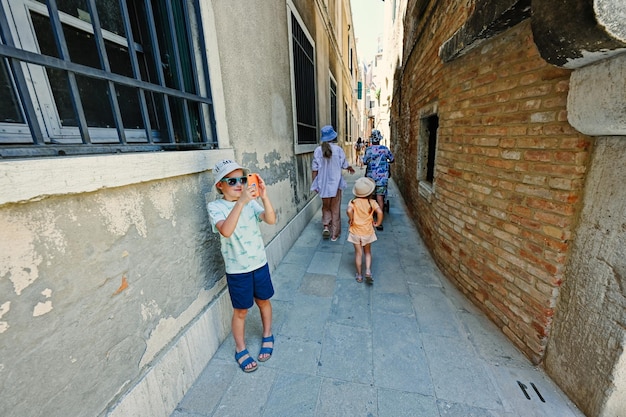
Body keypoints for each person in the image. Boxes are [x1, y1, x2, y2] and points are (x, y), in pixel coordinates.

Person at [207, 159, 276, 373]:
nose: (240, 184)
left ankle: (267, 335)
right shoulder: (215, 207)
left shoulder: (251, 202)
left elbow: (271, 220)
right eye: (233, 181)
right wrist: (240, 203)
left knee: (264, 301)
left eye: (243, 179)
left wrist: (264, 197)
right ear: (220, 185)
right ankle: (240, 348)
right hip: (238, 271)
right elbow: (226, 231)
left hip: (259, 264)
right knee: (241, 311)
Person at [311, 125, 355, 241]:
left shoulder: (317, 151)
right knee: (335, 208)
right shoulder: (338, 150)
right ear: (333, 137)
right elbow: (344, 164)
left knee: (326, 207)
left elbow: (315, 170)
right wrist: (350, 168)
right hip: (336, 185)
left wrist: (314, 183)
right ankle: (334, 235)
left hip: (323, 185)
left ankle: (326, 226)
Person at [347, 177, 383, 285]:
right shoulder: (372, 202)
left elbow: (349, 210)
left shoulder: (353, 201)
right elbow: (380, 212)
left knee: (358, 254)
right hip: (367, 231)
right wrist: (378, 223)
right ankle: (368, 271)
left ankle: (359, 276)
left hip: (355, 231)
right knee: (367, 252)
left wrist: (351, 219)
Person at [363, 129, 394, 231]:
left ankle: (370, 218)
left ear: (372, 139)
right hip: (382, 178)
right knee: (380, 198)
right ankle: (379, 223)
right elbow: (392, 159)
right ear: (380, 139)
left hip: (371, 178)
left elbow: (364, 162)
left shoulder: (368, 150)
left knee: (370, 198)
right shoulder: (385, 149)